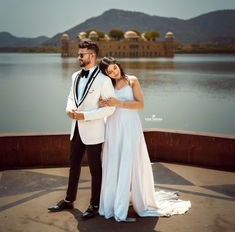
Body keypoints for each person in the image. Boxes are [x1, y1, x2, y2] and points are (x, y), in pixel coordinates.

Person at [98, 57, 191, 222]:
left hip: (130, 126)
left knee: (130, 160)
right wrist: (102, 103)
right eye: (109, 72)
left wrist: (119, 102)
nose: (114, 72)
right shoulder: (106, 85)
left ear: (118, 64)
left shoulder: (132, 80)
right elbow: (101, 105)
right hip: (113, 126)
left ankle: (135, 201)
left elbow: (140, 104)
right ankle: (114, 204)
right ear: (106, 74)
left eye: (114, 68)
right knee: (114, 162)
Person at [48, 40, 115, 219]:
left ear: (92, 56)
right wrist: (69, 109)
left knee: (95, 169)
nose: (78, 57)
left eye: (81, 54)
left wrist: (85, 116)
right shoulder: (75, 76)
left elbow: (110, 109)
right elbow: (71, 97)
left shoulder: (104, 80)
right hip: (75, 129)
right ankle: (69, 200)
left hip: (94, 131)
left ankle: (94, 204)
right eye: (79, 54)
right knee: (73, 166)